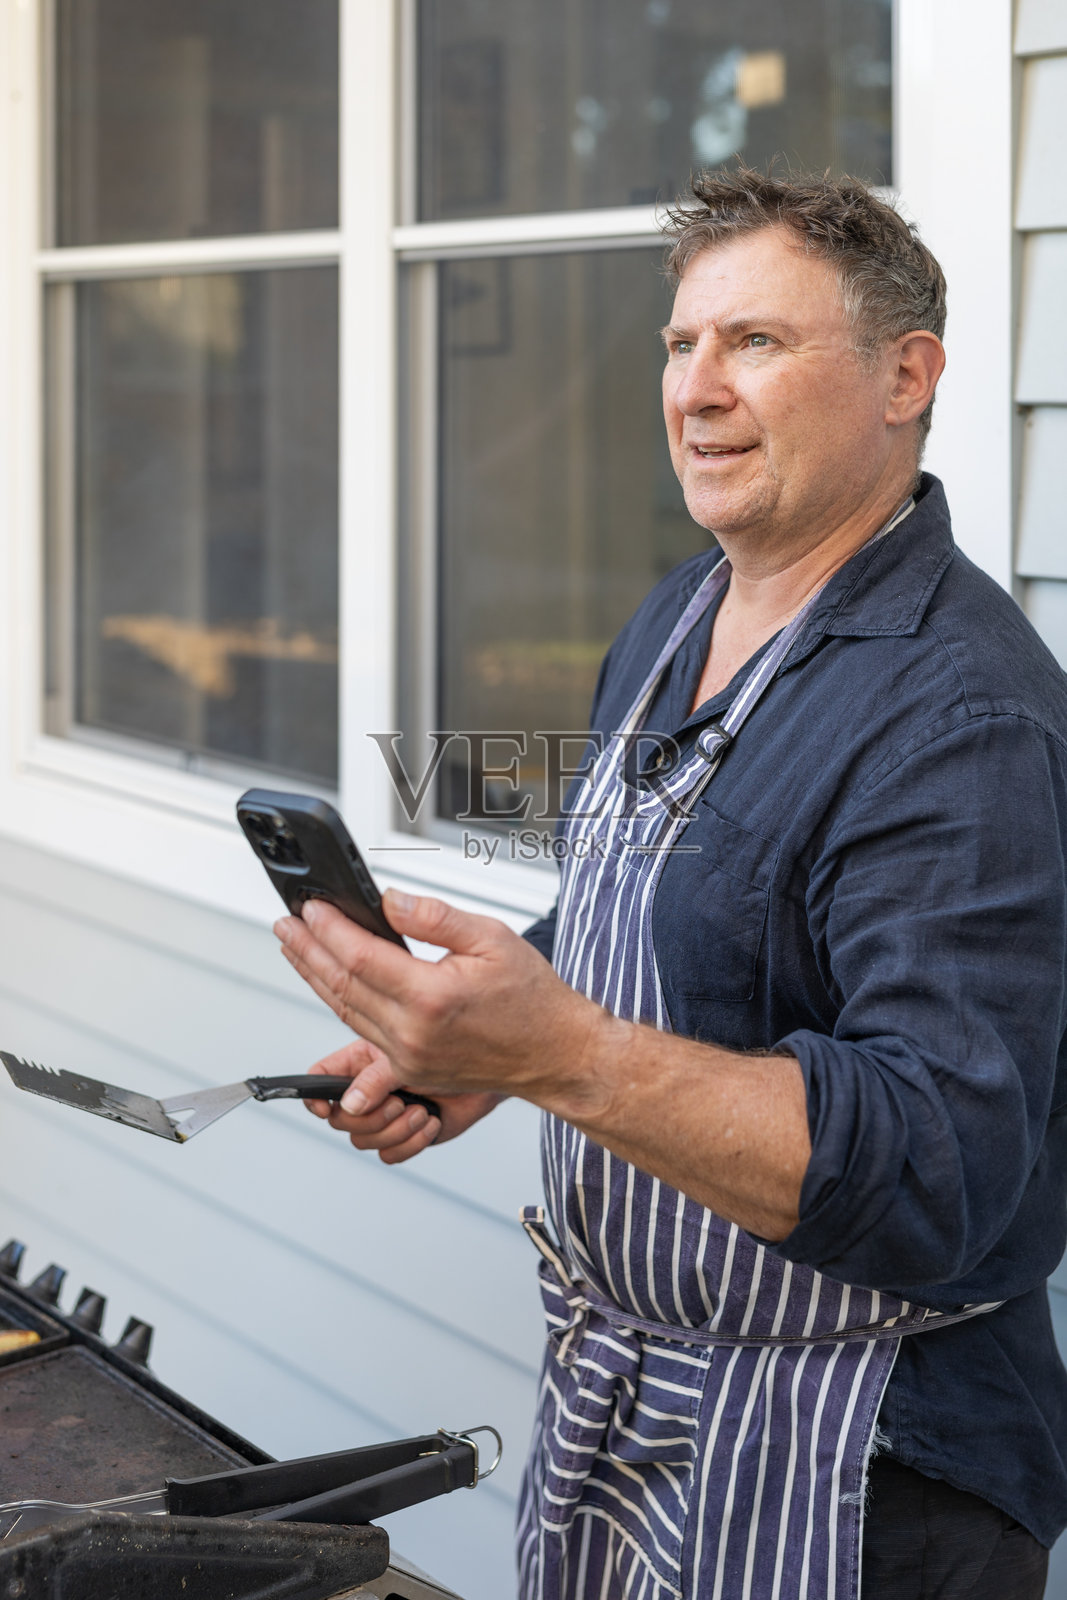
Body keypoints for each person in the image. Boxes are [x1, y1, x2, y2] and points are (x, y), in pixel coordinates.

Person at [275, 169, 1067, 1600]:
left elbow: (935, 1169)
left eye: (755, 342)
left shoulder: (961, 718)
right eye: (678, 345)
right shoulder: (681, 610)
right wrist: (479, 1047)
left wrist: (558, 1054)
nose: (696, 390)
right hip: (633, 1407)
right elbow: (644, 913)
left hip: (857, 1464)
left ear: (909, 376)